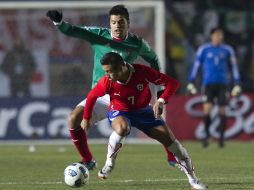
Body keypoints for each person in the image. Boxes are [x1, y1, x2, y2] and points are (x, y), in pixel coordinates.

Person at [46, 5, 178, 170]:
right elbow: (74, 31)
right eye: (114, 22)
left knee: (154, 124)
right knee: (73, 119)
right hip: (101, 94)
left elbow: (153, 58)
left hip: (126, 97)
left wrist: (159, 86)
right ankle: (88, 160)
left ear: (128, 23)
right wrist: (59, 23)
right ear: (110, 23)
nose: (117, 26)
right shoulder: (99, 35)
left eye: (121, 22)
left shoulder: (137, 43)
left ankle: (173, 155)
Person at [82, 52, 208, 190]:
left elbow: (172, 83)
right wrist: (86, 118)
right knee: (122, 128)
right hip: (120, 111)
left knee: (173, 144)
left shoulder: (141, 72)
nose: (106, 75)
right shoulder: (106, 82)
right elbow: (91, 96)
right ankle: (110, 162)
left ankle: (193, 181)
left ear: (122, 67)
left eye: (109, 71)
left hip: (144, 111)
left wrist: (161, 100)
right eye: (105, 71)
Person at [187, 27, 241, 148]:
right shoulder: (204, 49)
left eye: (220, 35)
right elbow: (197, 66)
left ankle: (221, 139)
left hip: (223, 84)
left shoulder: (227, 50)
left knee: (223, 111)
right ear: (212, 36)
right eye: (217, 35)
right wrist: (191, 81)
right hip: (208, 84)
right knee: (207, 109)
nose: (219, 37)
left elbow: (234, 67)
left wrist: (237, 83)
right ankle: (206, 137)